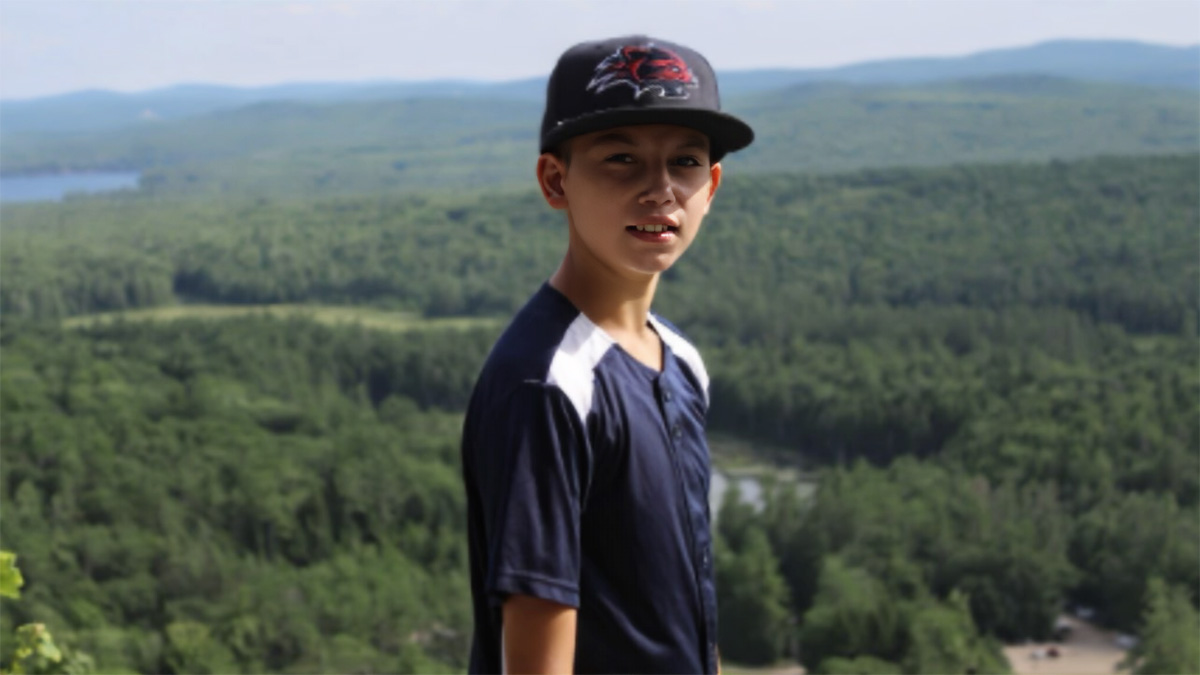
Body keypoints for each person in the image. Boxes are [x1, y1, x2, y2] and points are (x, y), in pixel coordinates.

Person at [460, 35, 754, 674]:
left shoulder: (677, 358)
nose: (661, 190)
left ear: (714, 185)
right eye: (621, 158)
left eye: (685, 161)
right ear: (554, 180)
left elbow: (682, 592)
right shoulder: (549, 384)